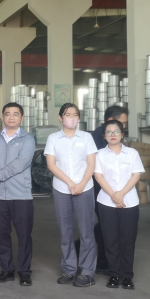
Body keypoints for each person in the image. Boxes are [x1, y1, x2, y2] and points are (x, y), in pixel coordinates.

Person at [44, 102, 98, 287]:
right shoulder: (53, 138)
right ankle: (69, 269)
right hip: (62, 189)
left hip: (85, 188)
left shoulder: (87, 137)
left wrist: (81, 184)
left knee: (86, 231)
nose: (72, 118)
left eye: (75, 115)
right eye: (68, 115)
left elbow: (91, 163)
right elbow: (51, 164)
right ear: (61, 118)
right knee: (65, 231)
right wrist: (70, 183)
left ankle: (87, 272)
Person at [0, 103, 36, 287]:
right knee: (1, 235)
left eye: (15, 114)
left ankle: (24, 272)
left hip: (21, 195)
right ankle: (6, 270)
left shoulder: (27, 139)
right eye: (8, 114)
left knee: (24, 235)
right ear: (3, 117)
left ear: (22, 118)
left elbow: (21, 163)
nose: (11, 117)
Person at [94, 119, 144, 290]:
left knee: (127, 241)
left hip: (129, 202)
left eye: (116, 131)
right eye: (109, 132)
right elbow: (98, 176)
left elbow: (136, 175)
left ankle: (127, 276)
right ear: (104, 136)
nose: (113, 135)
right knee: (110, 240)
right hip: (106, 203)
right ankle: (114, 274)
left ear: (122, 135)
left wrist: (121, 194)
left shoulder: (132, 153)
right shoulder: (99, 154)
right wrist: (114, 196)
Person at [90, 105, 128, 275]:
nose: (124, 127)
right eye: (123, 123)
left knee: (107, 226)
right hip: (101, 190)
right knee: (107, 227)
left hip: (110, 190)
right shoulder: (98, 139)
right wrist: (114, 193)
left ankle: (105, 260)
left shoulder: (105, 135)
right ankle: (103, 262)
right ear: (111, 120)